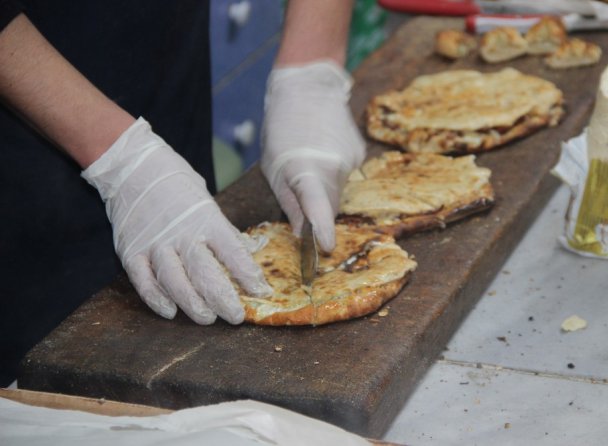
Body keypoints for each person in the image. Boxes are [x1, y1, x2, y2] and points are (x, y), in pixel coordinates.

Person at [0, 0, 365, 385]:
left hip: (165, 73)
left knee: (196, 326)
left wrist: (311, 67)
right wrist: (122, 160)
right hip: (22, 148)